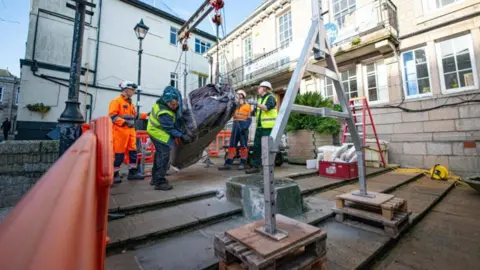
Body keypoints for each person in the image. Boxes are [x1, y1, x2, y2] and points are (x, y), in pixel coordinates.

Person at [147, 86, 191, 191]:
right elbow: (169, 128)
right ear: (167, 102)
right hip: (158, 133)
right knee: (164, 157)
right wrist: (181, 136)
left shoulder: (163, 104)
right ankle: (160, 182)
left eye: (176, 104)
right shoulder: (164, 112)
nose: (174, 106)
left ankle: (155, 178)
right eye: (172, 104)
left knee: (159, 155)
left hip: (155, 131)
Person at [109, 81, 144, 183]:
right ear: (126, 90)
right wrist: (124, 123)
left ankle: (132, 173)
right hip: (119, 132)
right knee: (118, 154)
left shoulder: (130, 104)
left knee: (133, 153)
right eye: (132, 90)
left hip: (130, 132)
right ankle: (114, 174)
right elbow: (112, 116)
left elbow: (135, 116)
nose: (134, 92)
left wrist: (147, 115)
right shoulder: (116, 102)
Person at [246, 81, 277, 174]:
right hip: (260, 127)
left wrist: (255, 103)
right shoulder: (260, 100)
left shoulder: (271, 97)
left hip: (268, 127)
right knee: (256, 147)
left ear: (264, 88)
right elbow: (255, 112)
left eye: (259, 88)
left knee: (267, 148)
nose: (258, 89)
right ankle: (255, 166)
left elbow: (267, 108)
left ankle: (268, 168)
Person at [218, 90, 252, 171]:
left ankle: (243, 163)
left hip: (243, 126)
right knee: (232, 145)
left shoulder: (248, 106)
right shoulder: (235, 106)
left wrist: (246, 127)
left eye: (238, 95)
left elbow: (249, 119)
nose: (236, 96)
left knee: (243, 146)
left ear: (242, 96)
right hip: (235, 125)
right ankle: (228, 164)